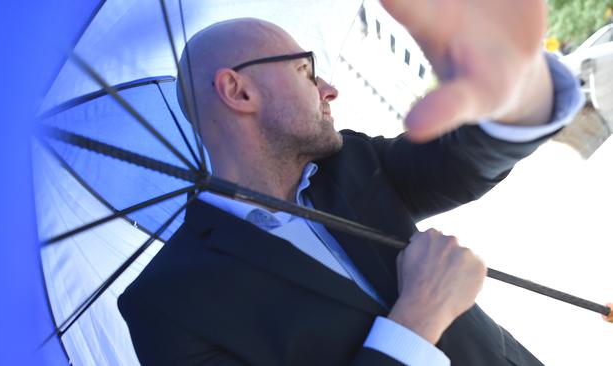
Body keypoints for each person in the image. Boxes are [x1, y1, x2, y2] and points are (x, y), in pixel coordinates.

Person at [118, 1, 583, 365]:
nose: (329, 89)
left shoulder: (350, 161)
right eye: (305, 71)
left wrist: (519, 94)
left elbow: (461, 160)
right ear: (239, 91)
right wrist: (420, 317)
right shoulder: (165, 306)